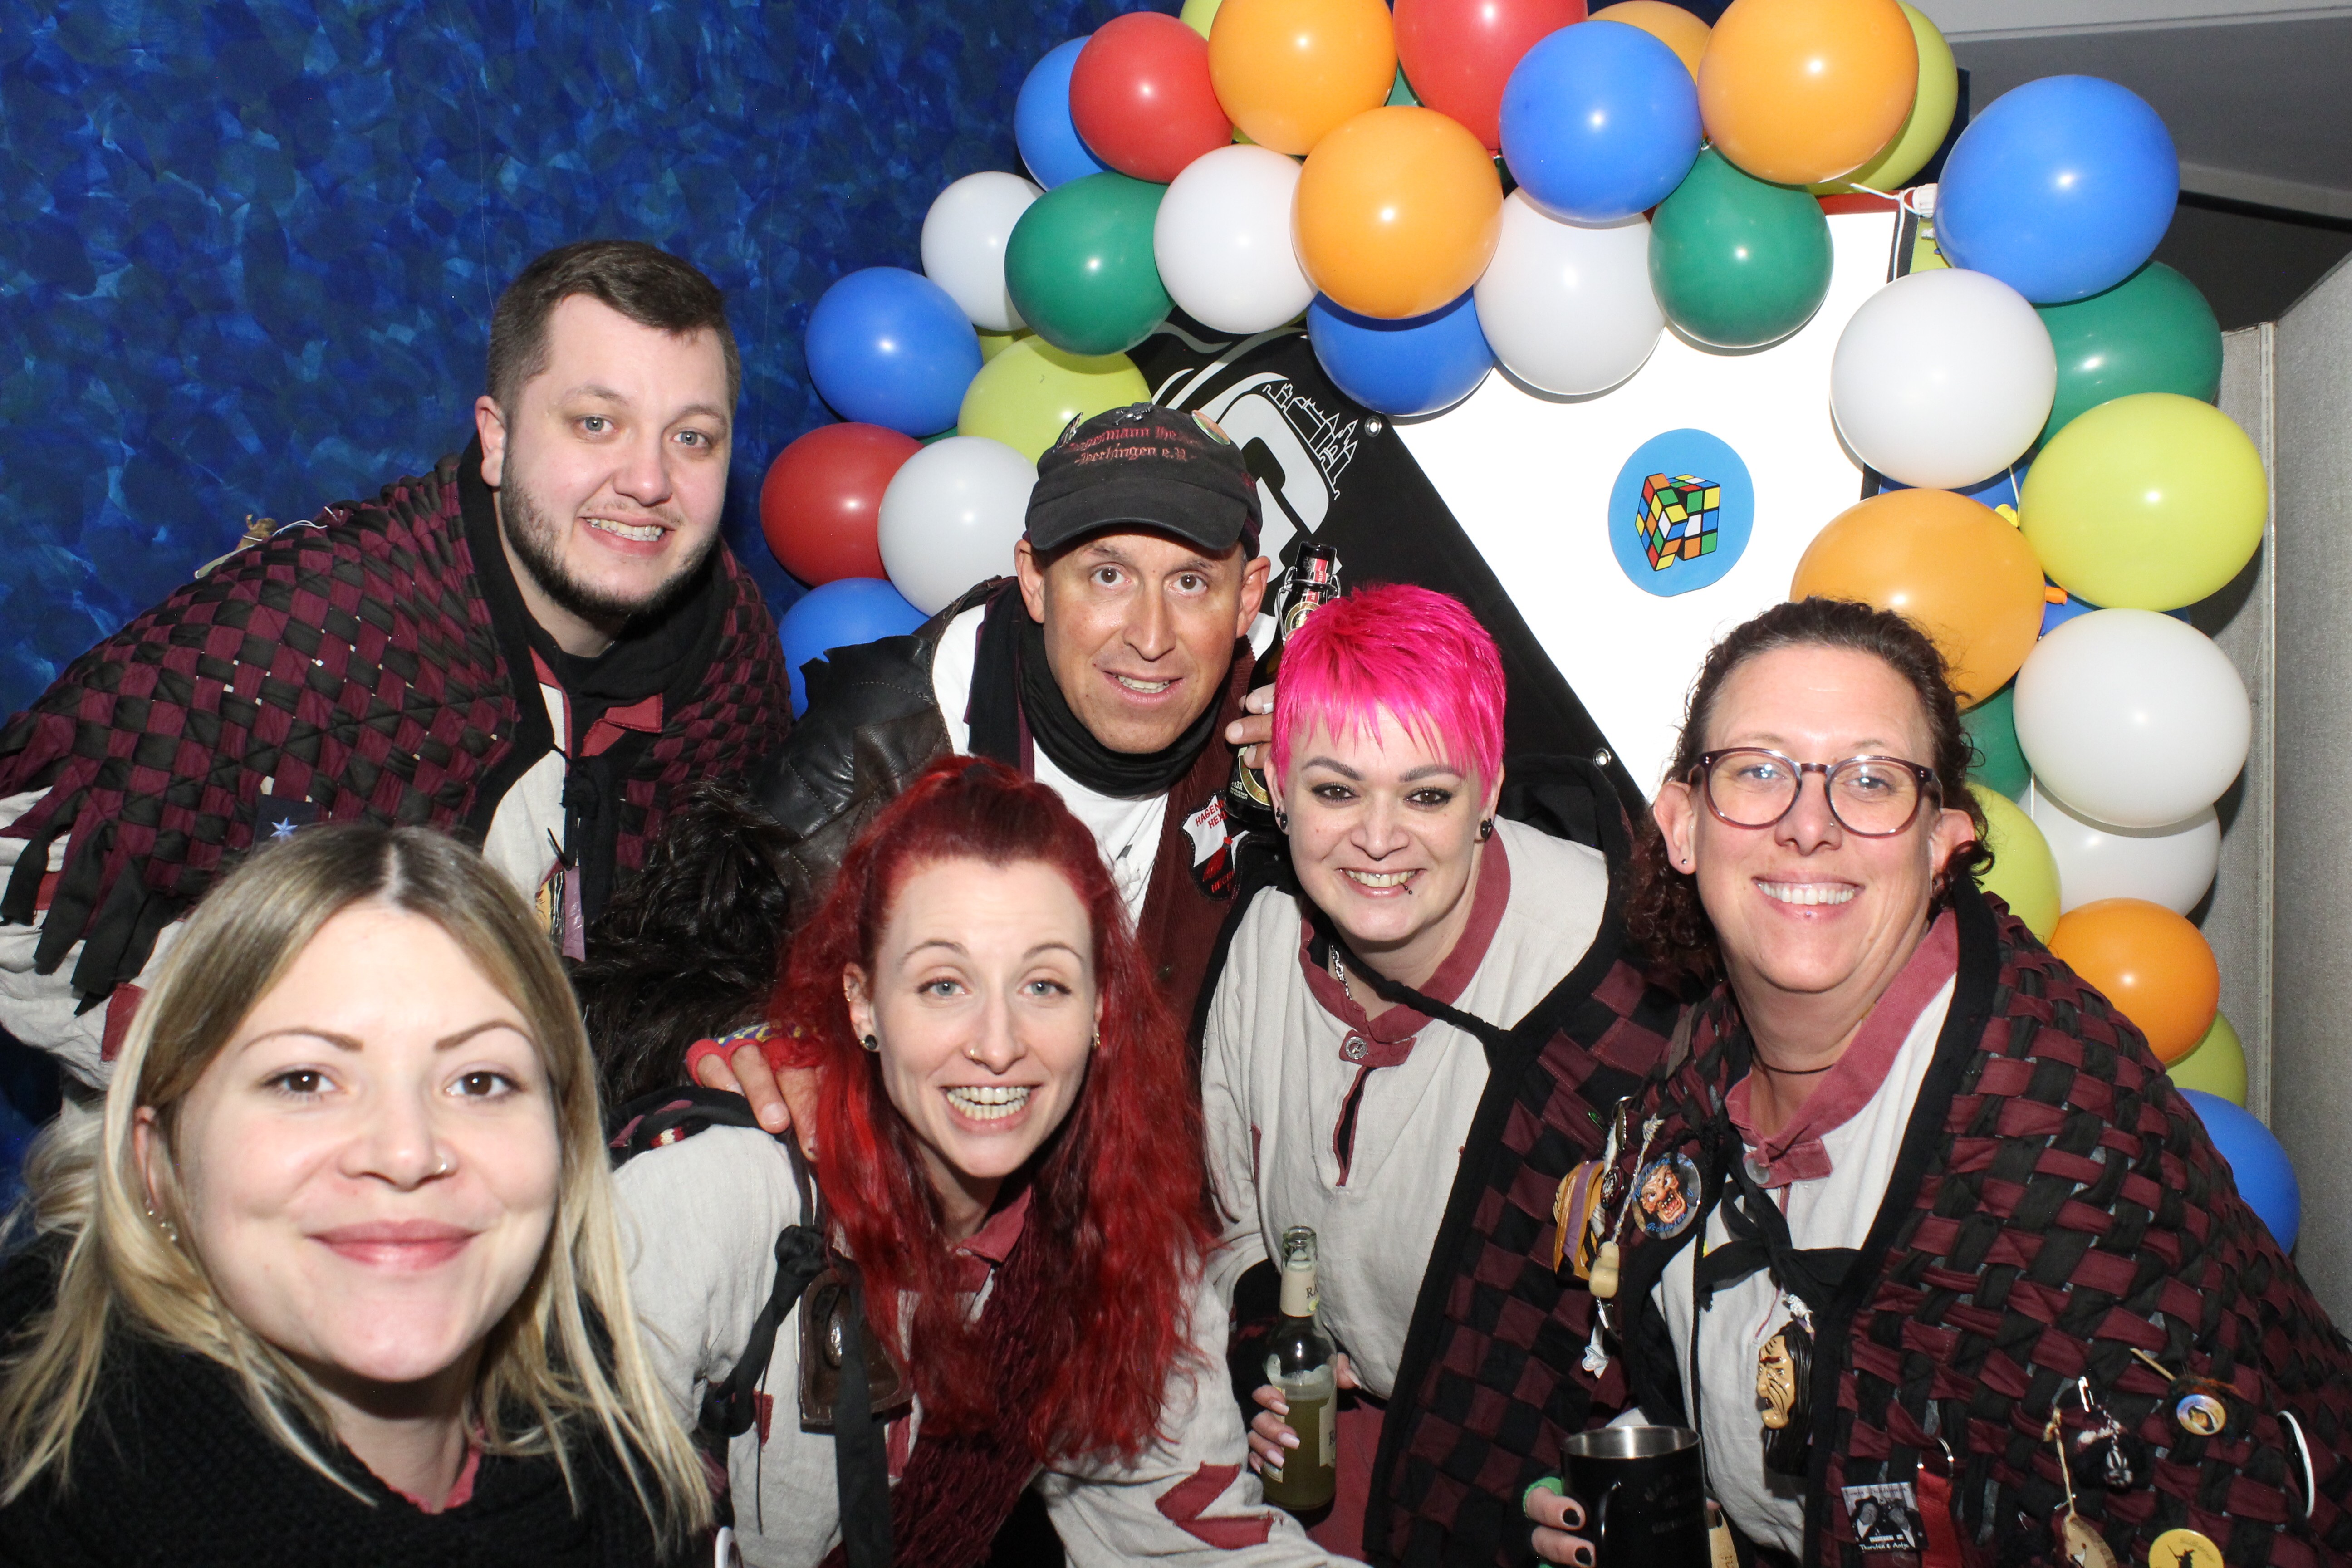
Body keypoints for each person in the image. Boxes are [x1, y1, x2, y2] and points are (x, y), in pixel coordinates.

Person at [1525, 597, 2352, 1567]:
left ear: (1942, 845)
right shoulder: (1708, 1044)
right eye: (1758, 771)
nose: (1808, 826)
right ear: (1682, 827)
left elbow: (2233, 1520)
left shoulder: (2055, 1144)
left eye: (1871, 781)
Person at [0, 240, 791, 1088]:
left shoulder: (730, 659)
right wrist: (282, 1077)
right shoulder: (316, 623)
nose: (649, 480)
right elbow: (15, 872)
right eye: (596, 423)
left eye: (693, 437)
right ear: (497, 439)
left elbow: (728, 945)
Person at [611, 757, 1347, 1567]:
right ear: (863, 1003)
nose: (997, 1046)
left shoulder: (1110, 1250)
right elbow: (553, 1508)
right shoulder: (721, 1199)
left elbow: (1203, 1547)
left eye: (1044, 986)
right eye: (942, 985)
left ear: (1100, 1008)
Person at [0, 823, 712, 1564]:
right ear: (158, 1163)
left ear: (564, 1149)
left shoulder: (634, 1499)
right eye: (304, 1080)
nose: (406, 1153)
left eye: (479, 1082)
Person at [585, 401, 1272, 1111]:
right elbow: (641, 1013)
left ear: (1248, 597)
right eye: (1108, 576)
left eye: (1191, 582)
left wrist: (1325, 769)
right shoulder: (877, 756)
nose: (1151, 637)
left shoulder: (1285, 717)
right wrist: (754, 1048)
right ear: (1035, 579)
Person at [1200, 584, 1679, 1565]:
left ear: (1489, 791)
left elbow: (1673, 1322)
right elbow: (1224, 1212)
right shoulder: (1261, 938)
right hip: (1328, 1482)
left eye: (1427, 795)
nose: (1379, 839)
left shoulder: (1619, 981)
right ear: (1279, 784)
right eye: (1336, 792)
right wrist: (1261, 1334)